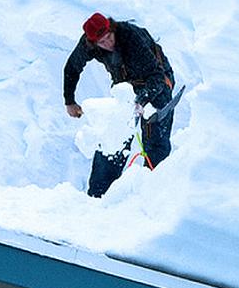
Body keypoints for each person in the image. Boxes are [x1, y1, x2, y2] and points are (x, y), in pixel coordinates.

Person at [64, 12, 176, 197]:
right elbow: (72, 68)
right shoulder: (88, 43)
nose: (108, 43)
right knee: (113, 138)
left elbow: (156, 77)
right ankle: (98, 197)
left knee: (155, 141)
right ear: (93, 43)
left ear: (112, 28)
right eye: (102, 42)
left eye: (109, 37)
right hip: (125, 88)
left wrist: (140, 101)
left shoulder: (131, 36)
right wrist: (69, 100)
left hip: (157, 82)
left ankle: (153, 195)